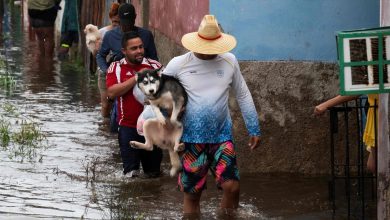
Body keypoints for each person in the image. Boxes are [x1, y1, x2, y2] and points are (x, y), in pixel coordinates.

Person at [162, 15, 261, 216]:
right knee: (193, 194)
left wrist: (254, 127)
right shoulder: (178, 64)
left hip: (221, 137)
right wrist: (170, 111)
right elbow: (159, 95)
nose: (209, 53)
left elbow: (242, 93)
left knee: (232, 187)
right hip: (190, 140)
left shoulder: (229, 61)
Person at [106, 31, 162, 178]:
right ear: (124, 51)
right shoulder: (116, 67)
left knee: (154, 175)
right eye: (134, 48)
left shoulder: (154, 65)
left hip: (153, 127)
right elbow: (111, 93)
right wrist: (137, 77)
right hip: (128, 128)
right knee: (131, 177)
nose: (139, 51)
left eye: (141, 47)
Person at [96, 2, 158, 132]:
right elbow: (100, 55)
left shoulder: (146, 35)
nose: (126, 25)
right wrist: (107, 71)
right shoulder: (110, 36)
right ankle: (109, 131)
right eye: (123, 22)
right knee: (107, 103)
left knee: (137, 104)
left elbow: (154, 60)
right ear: (118, 19)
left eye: (129, 22)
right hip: (113, 74)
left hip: (140, 76)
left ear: (135, 18)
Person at [314, 94, 378, 173]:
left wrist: (325, 104)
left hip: (379, 114)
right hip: (375, 115)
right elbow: (357, 88)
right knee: (374, 165)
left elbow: (357, 89)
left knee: (376, 165)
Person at [94, 2, 120, 118]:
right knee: (106, 104)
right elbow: (96, 54)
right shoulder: (102, 33)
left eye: (119, 23)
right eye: (114, 22)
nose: (116, 25)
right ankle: (104, 127)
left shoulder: (125, 34)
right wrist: (97, 48)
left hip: (121, 72)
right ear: (110, 19)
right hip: (105, 73)